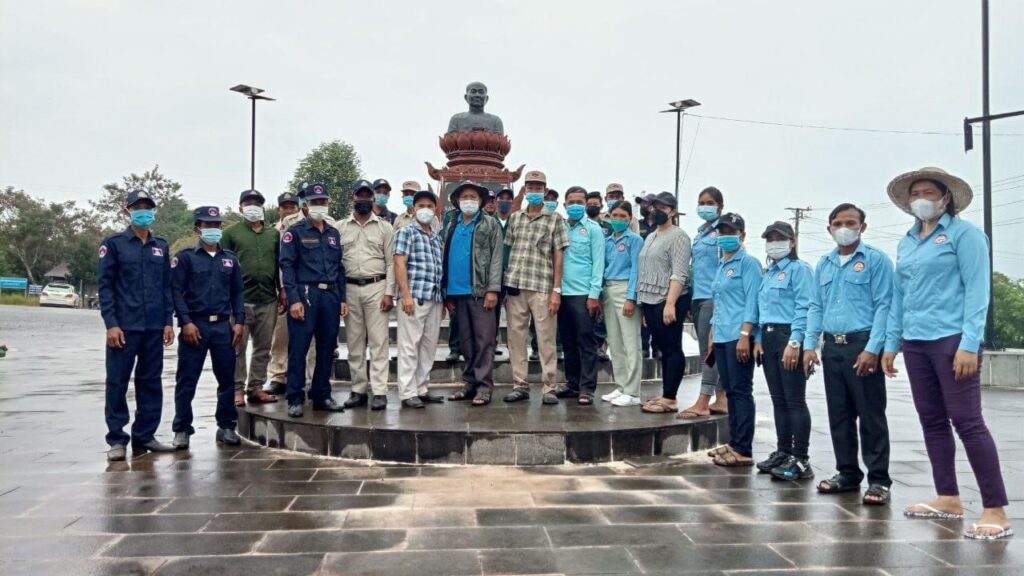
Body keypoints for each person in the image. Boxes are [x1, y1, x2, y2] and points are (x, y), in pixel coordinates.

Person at [881, 168, 1012, 539]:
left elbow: (977, 290)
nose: (921, 199)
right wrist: (892, 342)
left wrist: (970, 343)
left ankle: (995, 510)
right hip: (916, 341)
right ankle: (948, 497)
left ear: (945, 198)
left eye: (928, 192)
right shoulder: (907, 242)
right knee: (932, 420)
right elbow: (900, 296)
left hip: (952, 339)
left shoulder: (965, 235)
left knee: (967, 421)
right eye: (915, 193)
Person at [803, 203, 894, 505]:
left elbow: (884, 305)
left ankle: (878, 480)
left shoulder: (876, 260)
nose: (844, 228)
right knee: (839, 414)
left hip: (862, 345)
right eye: (838, 223)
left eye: (851, 223)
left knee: (870, 414)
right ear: (829, 228)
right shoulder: (825, 264)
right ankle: (847, 472)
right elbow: (816, 306)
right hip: (832, 347)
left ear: (862, 227)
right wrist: (809, 345)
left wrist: (873, 348)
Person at [98, 189, 176, 461]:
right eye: (138, 207)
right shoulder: (114, 244)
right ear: (127, 211)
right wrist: (111, 324)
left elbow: (166, 287)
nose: (144, 212)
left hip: (153, 327)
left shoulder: (161, 246)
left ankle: (145, 435)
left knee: (151, 381)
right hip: (124, 327)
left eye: (148, 207)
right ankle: (117, 439)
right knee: (117, 382)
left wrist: (168, 321)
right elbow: (105, 287)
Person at [170, 206, 244, 449]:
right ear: (197, 228)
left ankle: (226, 426)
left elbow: (237, 293)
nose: (213, 229)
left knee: (227, 378)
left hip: (223, 326)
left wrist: (239, 322)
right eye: (208, 225)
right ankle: (182, 429)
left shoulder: (230, 259)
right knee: (187, 379)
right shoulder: (185, 258)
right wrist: (186, 322)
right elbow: (176, 291)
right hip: (195, 326)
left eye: (216, 225)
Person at [279, 182, 348, 418]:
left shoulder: (333, 233)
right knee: (299, 348)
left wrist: (342, 298)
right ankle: (295, 397)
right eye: (315, 202)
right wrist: (294, 299)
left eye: (323, 202)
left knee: (327, 348)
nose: (320, 206)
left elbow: (339, 268)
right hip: (306, 294)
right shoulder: (295, 232)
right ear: (305, 205)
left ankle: (322, 394)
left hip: (330, 295)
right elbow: (287, 266)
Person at [752, 221, 814, 480]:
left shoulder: (799, 270)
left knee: (794, 400)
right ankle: (783, 450)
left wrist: (796, 342)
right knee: (778, 399)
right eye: (770, 239)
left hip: (789, 337)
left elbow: (805, 307)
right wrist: (758, 339)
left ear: (792, 241)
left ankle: (800, 458)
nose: (774, 243)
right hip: (768, 338)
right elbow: (762, 310)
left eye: (780, 238)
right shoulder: (769, 273)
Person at [503, 170, 569, 404]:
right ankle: (520, 384)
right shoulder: (515, 218)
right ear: (525, 189)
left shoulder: (554, 219)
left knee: (546, 338)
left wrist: (556, 290)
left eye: (538, 188)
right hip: (516, 286)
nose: (534, 191)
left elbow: (558, 254)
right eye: (530, 187)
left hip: (542, 286)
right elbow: (508, 250)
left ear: (545, 190)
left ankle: (549, 386)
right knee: (516, 338)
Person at [705, 213, 762, 466]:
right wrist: (712, 333)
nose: (725, 236)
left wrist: (745, 335)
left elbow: (753, 301)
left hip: (739, 336)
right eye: (722, 231)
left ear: (742, 235)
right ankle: (734, 442)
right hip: (722, 335)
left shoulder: (748, 264)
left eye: (731, 231)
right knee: (730, 391)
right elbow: (719, 302)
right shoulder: (722, 264)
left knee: (741, 391)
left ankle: (743, 449)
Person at [442, 181, 503, 406]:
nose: (469, 200)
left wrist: (492, 290)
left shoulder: (490, 223)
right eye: (465, 197)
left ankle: (484, 387)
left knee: (484, 341)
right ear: (457, 201)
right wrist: (446, 291)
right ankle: (469, 383)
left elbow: (496, 258)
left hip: (480, 291)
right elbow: (444, 255)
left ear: (480, 201)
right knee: (465, 341)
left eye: (473, 197)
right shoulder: (452, 223)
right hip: (456, 292)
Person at [337, 180, 395, 412]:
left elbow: (391, 263)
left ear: (373, 198)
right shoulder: (340, 228)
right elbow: (336, 264)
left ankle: (379, 391)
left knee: (379, 342)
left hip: (376, 287)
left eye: (367, 196)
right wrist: (340, 296)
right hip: (349, 289)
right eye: (359, 196)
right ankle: (358, 390)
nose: (364, 199)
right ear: (353, 198)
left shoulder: (385, 228)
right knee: (354, 342)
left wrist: (389, 293)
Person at [221, 189, 281, 406]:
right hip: (240, 300)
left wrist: (282, 291)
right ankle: (237, 389)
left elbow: (278, 265)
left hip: (268, 298)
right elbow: (222, 265)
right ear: (240, 208)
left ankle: (255, 387)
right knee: (237, 347)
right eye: (248, 203)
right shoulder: (230, 233)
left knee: (263, 347)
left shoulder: (273, 234)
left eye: (257, 203)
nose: (253, 207)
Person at [638, 192, 692, 414]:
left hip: (668, 299)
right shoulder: (652, 236)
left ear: (673, 211)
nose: (657, 211)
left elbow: (679, 273)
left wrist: (670, 303)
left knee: (671, 348)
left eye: (663, 207)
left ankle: (670, 398)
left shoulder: (679, 236)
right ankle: (665, 393)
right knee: (661, 346)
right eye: (655, 207)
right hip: (650, 300)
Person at [393, 189, 446, 409]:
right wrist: (405, 295)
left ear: (435, 210)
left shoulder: (435, 236)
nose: (426, 210)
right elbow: (399, 264)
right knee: (409, 346)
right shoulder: (406, 232)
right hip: (414, 297)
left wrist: (442, 300)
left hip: (434, 298)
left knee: (428, 346)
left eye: (430, 206)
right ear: (413, 209)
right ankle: (407, 392)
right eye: (421, 206)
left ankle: (422, 388)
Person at [552, 186, 606, 406]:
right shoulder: (559, 227)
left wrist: (594, 295)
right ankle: (572, 383)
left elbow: (598, 263)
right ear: (565, 205)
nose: (575, 205)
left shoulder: (593, 229)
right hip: (561, 292)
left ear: (585, 204)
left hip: (583, 294)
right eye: (571, 202)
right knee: (567, 341)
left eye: (579, 202)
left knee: (586, 342)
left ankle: (587, 388)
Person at [679, 187, 728, 417]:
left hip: (713, 297)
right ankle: (721, 398)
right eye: (701, 202)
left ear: (720, 206)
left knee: (708, 353)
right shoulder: (700, 234)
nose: (705, 206)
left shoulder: (722, 234)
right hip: (698, 297)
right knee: (710, 351)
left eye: (710, 203)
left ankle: (703, 401)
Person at [266, 189, 316, 395]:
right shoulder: (273, 231)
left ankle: (309, 379)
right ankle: (278, 375)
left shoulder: (311, 225)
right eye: (284, 207)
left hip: (305, 288)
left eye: (292, 206)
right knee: (280, 336)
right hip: (282, 288)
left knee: (309, 338)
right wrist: (282, 289)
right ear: (278, 210)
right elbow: (278, 262)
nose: (289, 210)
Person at [600, 201, 644, 407]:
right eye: (615, 215)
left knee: (630, 342)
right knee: (615, 342)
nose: (618, 219)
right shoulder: (608, 240)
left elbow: (636, 269)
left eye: (623, 216)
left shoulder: (634, 240)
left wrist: (631, 297)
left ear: (630, 219)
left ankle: (633, 391)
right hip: (609, 289)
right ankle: (621, 385)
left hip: (625, 288)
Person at [634, 192, 657, 358]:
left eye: (646, 203)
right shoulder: (637, 225)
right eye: (641, 203)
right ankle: (643, 346)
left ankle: (657, 346)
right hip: (641, 272)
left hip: (658, 273)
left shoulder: (661, 225)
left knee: (656, 312)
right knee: (643, 312)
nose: (643, 206)